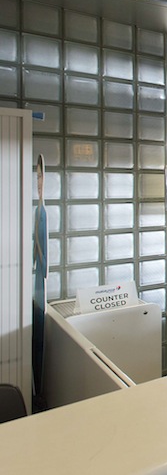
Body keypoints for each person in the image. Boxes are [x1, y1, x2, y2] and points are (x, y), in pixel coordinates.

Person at [33, 154, 48, 407]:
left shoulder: (42, 212)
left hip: (41, 282)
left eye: (40, 177)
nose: (38, 182)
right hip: (36, 282)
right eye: (36, 177)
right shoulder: (37, 211)